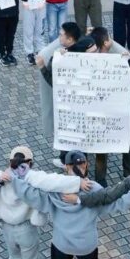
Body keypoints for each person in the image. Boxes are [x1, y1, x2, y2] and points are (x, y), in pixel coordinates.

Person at [82, 27, 130, 186]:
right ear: (104, 43)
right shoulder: (115, 61)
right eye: (108, 39)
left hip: (111, 110)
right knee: (121, 143)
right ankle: (126, 174)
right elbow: (127, 86)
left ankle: (103, 179)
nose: (111, 41)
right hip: (115, 110)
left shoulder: (113, 59)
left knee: (107, 146)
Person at [35, 22, 82, 166]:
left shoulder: (61, 57)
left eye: (61, 35)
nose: (59, 37)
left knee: (65, 131)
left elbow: (54, 82)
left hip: (66, 102)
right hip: (80, 102)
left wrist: (42, 67)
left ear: (70, 39)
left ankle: (65, 160)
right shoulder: (84, 51)